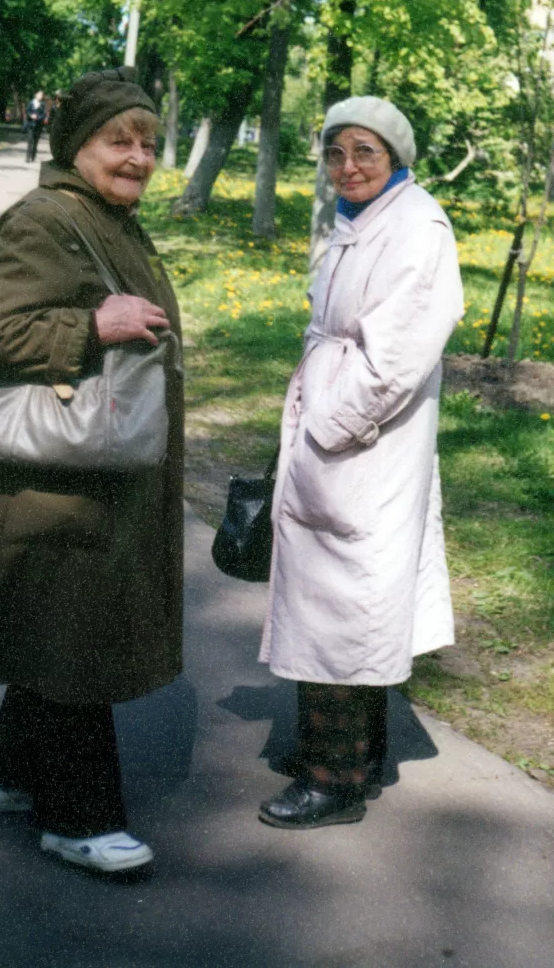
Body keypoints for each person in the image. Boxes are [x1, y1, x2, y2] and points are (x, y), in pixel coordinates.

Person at [0, 67, 184, 873]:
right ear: (77, 143)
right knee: (73, 630)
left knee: (59, 623)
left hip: (95, 469)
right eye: (119, 140)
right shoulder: (44, 220)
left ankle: (3, 775)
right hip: (56, 478)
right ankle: (78, 820)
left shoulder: (105, 216)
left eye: (148, 142)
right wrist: (93, 323)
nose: (139, 157)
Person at [258, 96, 464, 829]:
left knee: (351, 603)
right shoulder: (361, 221)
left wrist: (332, 427)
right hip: (335, 430)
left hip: (364, 440)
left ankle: (335, 779)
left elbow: (399, 354)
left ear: (396, 155)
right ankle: (352, 751)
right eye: (336, 152)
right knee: (332, 596)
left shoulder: (418, 228)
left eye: (365, 151)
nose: (348, 166)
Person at [24, 90, 47, 162]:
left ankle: (33, 157)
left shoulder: (43, 104)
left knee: (35, 142)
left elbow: (44, 114)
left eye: (42, 95)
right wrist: (31, 116)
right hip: (31, 125)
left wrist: (38, 117)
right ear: (36, 95)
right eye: (39, 95)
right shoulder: (31, 103)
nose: (40, 96)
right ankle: (27, 158)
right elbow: (27, 111)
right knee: (30, 141)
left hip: (38, 125)